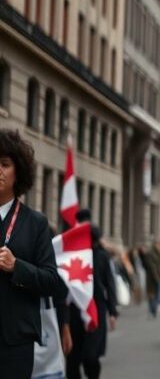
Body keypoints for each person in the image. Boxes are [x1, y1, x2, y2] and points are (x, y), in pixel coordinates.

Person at [0, 129, 64, 378]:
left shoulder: (35, 223)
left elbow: (51, 281)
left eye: (5, 164)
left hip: (16, 341)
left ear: (18, 172)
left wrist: (17, 267)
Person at [66, 212, 118, 379]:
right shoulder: (72, 255)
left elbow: (110, 285)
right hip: (75, 311)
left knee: (91, 356)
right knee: (72, 358)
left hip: (95, 311)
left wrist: (112, 312)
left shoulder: (102, 257)